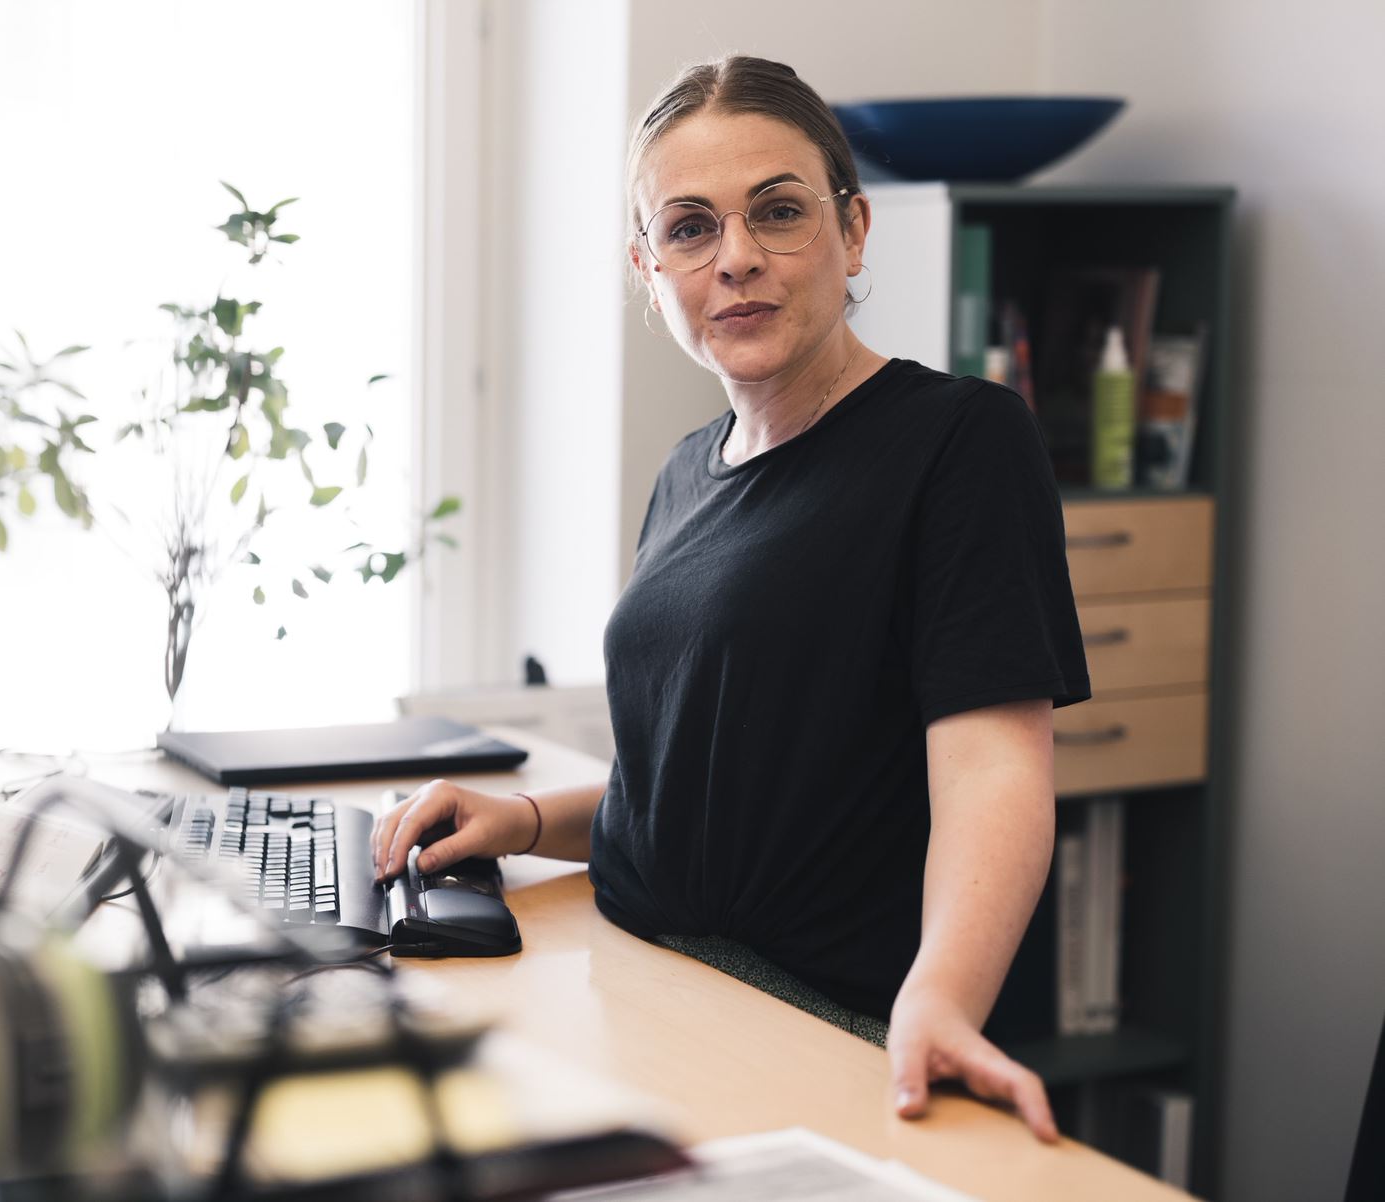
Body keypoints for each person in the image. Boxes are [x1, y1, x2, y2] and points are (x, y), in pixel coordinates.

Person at [372, 55, 1089, 1143]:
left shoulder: (959, 442)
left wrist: (940, 997)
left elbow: (995, 767)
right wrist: (520, 819)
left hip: (803, 1016)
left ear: (852, 233)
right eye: (691, 227)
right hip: (637, 979)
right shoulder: (687, 470)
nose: (738, 258)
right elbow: (706, 788)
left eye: (780, 212)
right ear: (647, 268)